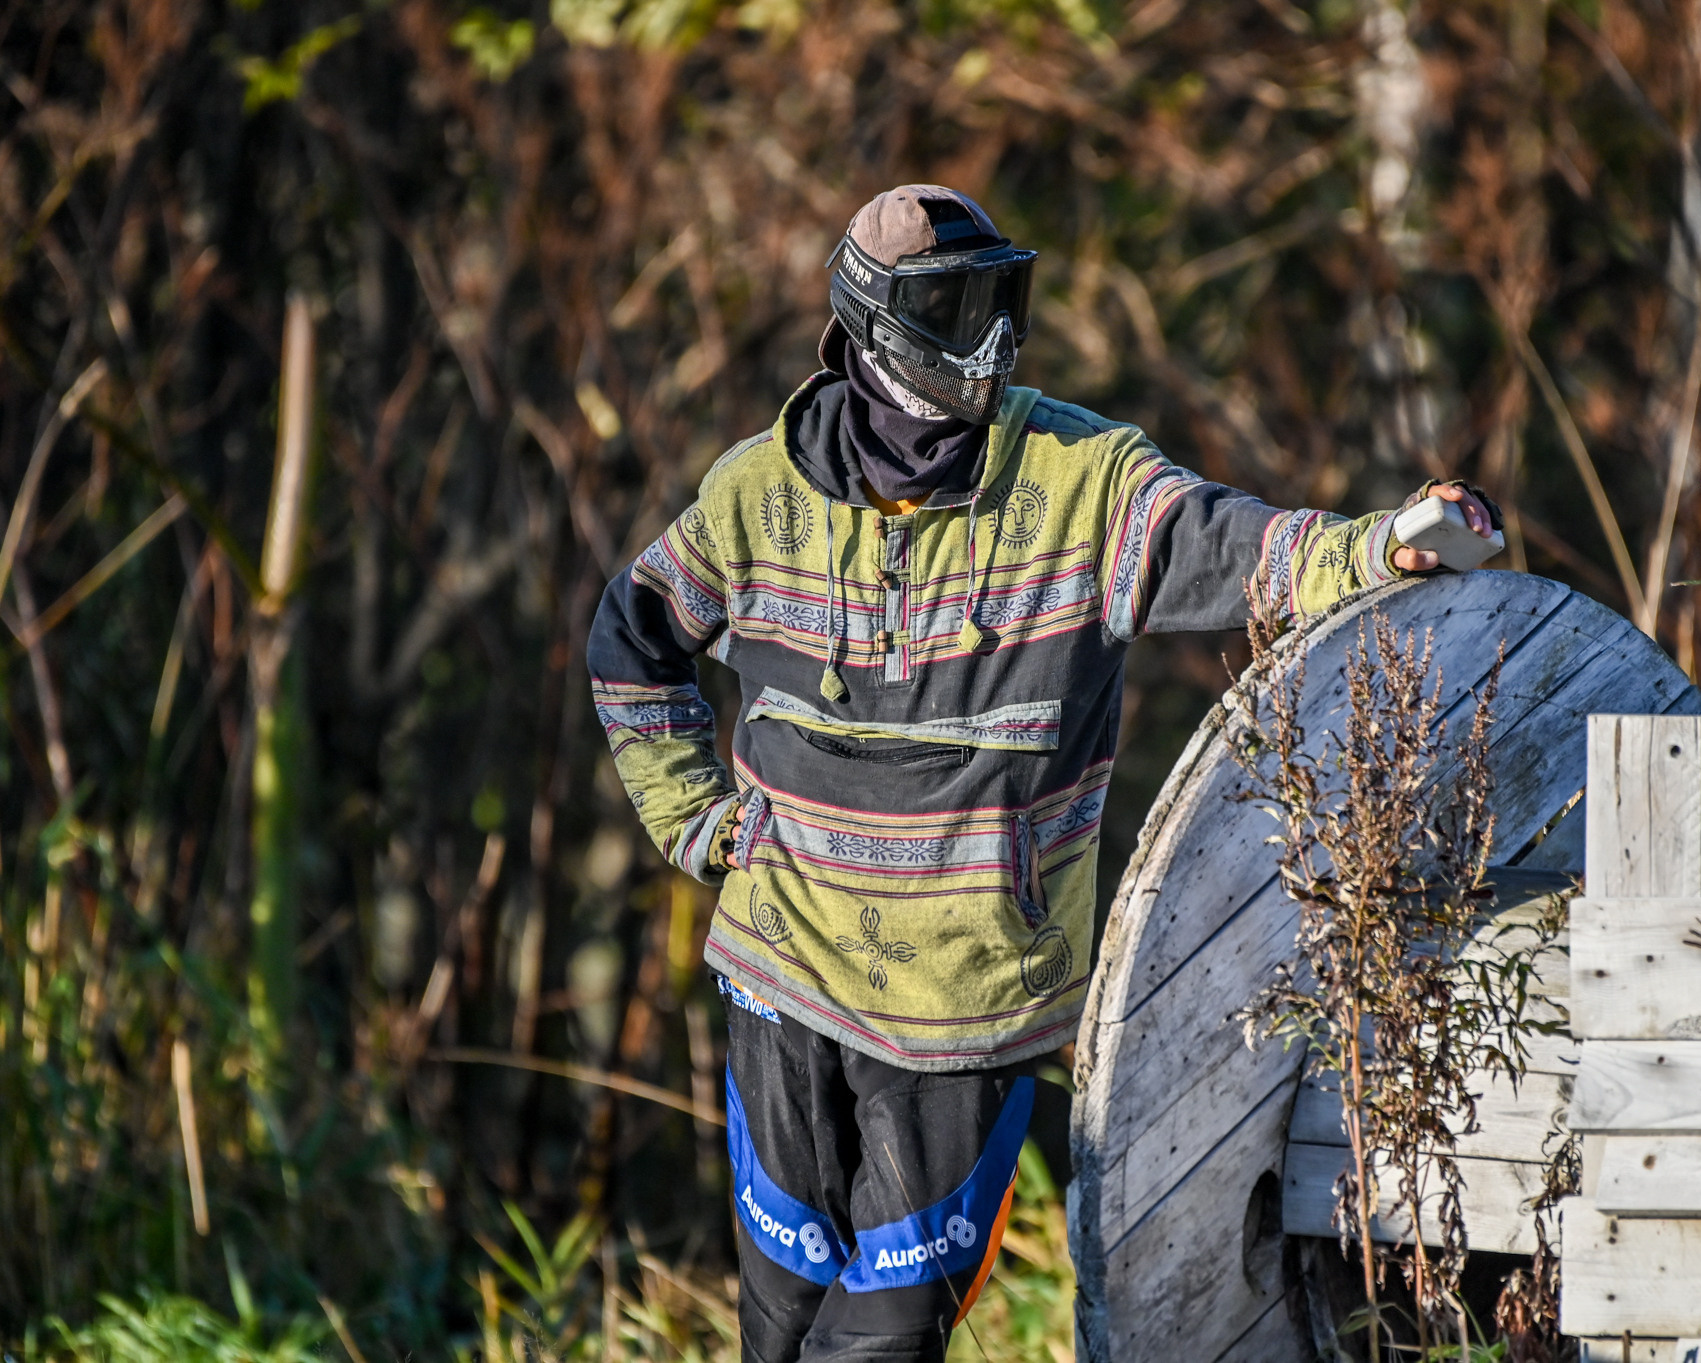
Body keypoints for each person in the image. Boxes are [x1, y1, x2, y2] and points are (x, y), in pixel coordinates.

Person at [588, 185, 1499, 1363]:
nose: (991, 335)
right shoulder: (756, 494)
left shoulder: (1083, 482)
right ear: (873, 325)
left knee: (878, 1343)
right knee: (780, 1330)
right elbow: (633, 637)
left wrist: (1383, 543)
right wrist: (696, 824)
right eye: (956, 308)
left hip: (968, 1011)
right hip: (779, 983)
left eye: (1001, 298)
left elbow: (1238, 546)